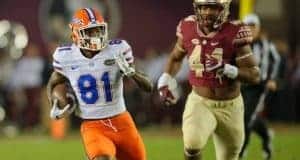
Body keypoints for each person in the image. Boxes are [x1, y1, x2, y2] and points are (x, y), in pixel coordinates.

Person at [157, 0, 260, 160]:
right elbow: (176, 58)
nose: (207, 12)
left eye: (213, 7)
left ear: (224, 9)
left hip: (230, 107)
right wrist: (165, 78)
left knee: (230, 155)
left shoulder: (235, 31)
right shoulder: (187, 27)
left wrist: (228, 69)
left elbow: (254, 75)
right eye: (203, 7)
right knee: (192, 143)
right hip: (200, 101)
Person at [46, 8, 153, 160]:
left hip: (122, 121)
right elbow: (53, 82)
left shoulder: (117, 50)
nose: (95, 36)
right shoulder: (65, 57)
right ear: (75, 34)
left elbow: (148, 87)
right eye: (90, 32)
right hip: (93, 125)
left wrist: (132, 73)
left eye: (98, 30)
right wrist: (55, 101)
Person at [239, 13, 281, 160]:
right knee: (245, 116)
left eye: (253, 26)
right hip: (242, 86)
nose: (250, 29)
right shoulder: (239, 45)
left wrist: (272, 79)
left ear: (258, 28)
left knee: (246, 118)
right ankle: (266, 135)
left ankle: (241, 152)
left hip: (259, 86)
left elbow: (276, 60)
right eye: (248, 26)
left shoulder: (266, 45)